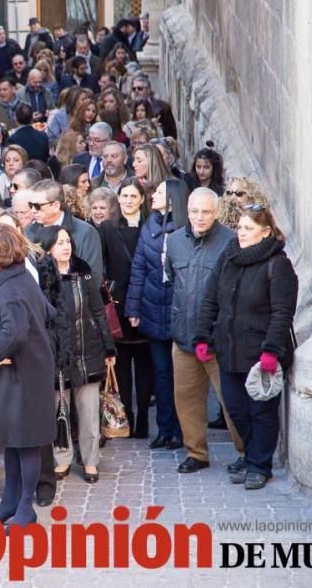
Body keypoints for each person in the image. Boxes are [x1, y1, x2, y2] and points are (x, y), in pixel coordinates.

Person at [194, 204, 298, 490]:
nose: (241, 233)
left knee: (261, 412)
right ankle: (252, 454)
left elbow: (282, 312)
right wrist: (203, 335)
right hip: (229, 349)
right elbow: (210, 298)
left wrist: (271, 351)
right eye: (239, 227)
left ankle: (259, 463)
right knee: (236, 409)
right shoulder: (229, 256)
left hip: (260, 352)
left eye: (248, 228)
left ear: (265, 233)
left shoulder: (278, 264)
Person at [0, 225, 55, 530]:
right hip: (19, 373)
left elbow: (15, 331)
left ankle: (25, 508)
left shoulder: (11, 286)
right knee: (12, 440)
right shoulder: (15, 276)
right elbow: (47, 312)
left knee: (26, 441)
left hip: (23, 375)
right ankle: (10, 499)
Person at [166, 189, 244, 474]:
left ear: (217, 212)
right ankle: (196, 453)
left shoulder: (230, 242)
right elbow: (172, 280)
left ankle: (245, 453)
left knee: (231, 402)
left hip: (218, 341)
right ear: (187, 210)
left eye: (206, 212)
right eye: (195, 211)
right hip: (184, 337)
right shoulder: (174, 241)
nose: (200, 217)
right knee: (186, 400)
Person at [36, 226, 115, 484]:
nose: (66, 246)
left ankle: (91, 461)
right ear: (48, 247)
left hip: (87, 352)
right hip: (57, 357)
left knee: (89, 412)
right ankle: (63, 459)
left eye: (68, 241)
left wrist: (108, 346)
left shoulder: (84, 274)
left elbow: (99, 312)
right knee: (60, 410)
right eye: (59, 243)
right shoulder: (40, 278)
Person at [126, 179, 190, 451]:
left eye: (160, 193)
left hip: (178, 311)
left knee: (182, 377)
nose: (153, 196)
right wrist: (133, 308)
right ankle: (165, 429)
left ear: (173, 198)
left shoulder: (186, 227)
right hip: (153, 308)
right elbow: (139, 266)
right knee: (161, 375)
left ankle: (183, 431)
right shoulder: (149, 225)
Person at [98, 178, 153, 438]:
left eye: (133, 196)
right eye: (124, 196)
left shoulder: (151, 227)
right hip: (118, 305)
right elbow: (99, 266)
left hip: (145, 303)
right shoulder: (107, 228)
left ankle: (143, 417)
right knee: (121, 367)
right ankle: (127, 416)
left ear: (142, 199)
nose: (128, 200)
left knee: (144, 365)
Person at [25, 179, 104, 276]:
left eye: (37, 206)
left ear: (55, 206)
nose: (33, 211)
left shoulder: (86, 232)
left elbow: (92, 276)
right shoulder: (28, 232)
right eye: (30, 205)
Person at [130, 74, 177, 140]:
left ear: (148, 90)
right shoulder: (128, 106)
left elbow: (172, 133)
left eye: (140, 88)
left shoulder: (163, 107)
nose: (136, 91)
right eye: (134, 89)